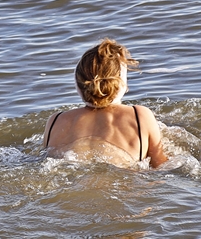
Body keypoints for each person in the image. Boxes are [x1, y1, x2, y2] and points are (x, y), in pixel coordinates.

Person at [43, 38, 168, 168]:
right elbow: (160, 166)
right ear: (122, 83)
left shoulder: (55, 121)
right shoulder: (140, 116)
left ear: (78, 84)